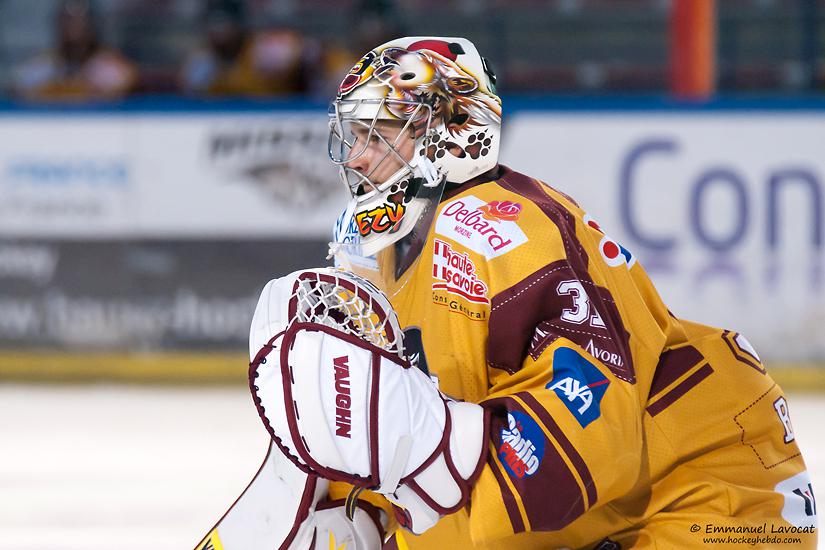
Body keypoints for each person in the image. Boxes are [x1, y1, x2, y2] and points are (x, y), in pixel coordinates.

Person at [202, 37, 817, 550]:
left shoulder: (502, 230)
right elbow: (401, 441)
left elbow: (593, 416)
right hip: (608, 510)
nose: (358, 157)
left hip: (715, 496)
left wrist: (438, 451)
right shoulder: (379, 251)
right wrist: (355, 500)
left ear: (452, 128)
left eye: (380, 132)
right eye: (354, 134)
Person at [180, 0, 318, 97]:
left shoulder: (264, 51)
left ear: (239, 24)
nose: (218, 33)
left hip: (277, 116)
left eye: (223, 25)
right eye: (212, 26)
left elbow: (312, 53)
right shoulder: (202, 62)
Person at [12, 0, 136, 101]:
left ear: (92, 25)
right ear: (58, 24)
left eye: (80, 21)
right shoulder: (41, 66)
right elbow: (19, 86)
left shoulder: (114, 68)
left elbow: (126, 83)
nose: (74, 28)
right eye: (68, 21)